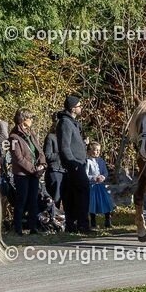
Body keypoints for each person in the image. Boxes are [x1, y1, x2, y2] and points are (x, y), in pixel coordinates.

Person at [57, 95, 90, 233]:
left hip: (78, 164)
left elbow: (74, 144)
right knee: (83, 192)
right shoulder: (65, 123)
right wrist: (73, 163)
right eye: (79, 106)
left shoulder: (72, 123)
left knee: (73, 195)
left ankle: (73, 224)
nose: (81, 108)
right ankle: (82, 224)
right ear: (72, 108)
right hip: (74, 165)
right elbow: (65, 147)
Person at [9, 109, 45, 236]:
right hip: (22, 174)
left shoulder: (31, 133)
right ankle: (18, 228)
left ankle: (33, 226)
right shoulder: (13, 137)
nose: (32, 120)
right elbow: (18, 158)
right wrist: (34, 170)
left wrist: (42, 163)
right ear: (24, 119)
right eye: (30, 118)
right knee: (21, 200)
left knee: (33, 200)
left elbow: (39, 150)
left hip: (34, 173)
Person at [86, 141, 114, 229]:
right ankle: (93, 222)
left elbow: (105, 172)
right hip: (93, 186)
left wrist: (103, 177)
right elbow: (86, 174)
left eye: (99, 150)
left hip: (101, 186)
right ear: (90, 151)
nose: (97, 152)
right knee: (93, 204)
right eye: (95, 150)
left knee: (106, 202)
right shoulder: (88, 161)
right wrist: (94, 178)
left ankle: (107, 221)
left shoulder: (101, 161)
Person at [42, 112, 65, 216]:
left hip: (64, 171)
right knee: (55, 198)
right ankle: (52, 219)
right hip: (55, 171)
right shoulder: (51, 137)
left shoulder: (65, 137)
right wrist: (62, 153)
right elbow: (47, 156)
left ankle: (60, 219)